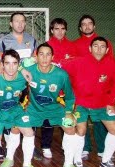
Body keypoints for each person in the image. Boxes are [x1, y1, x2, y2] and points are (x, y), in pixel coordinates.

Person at [61, 37, 115, 167]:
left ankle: (106, 161)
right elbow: (59, 65)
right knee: (81, 130)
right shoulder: (78, 61)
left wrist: (111, 102)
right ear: (90, 48)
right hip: (80, 103)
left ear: (107, 50)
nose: (99, 49)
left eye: (102, 47)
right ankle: (77, 161)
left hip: (102, 103)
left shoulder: (112, 64)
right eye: (96, 46)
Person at [22, 43, 82, 167]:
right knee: (21, 128)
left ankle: (68, 165)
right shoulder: (28, 71)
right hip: (33, 109)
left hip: (55, 109)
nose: (44, 58)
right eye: (41, 54)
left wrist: (68, 112)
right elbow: (13, 73)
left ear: (53, 57)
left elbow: (70, 97)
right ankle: (26, 164)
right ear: (36, 57)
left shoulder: (61, 75)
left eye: (48, 54)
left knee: (70, 128)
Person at [0, 50, 40, 167]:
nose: (11, 67)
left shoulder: (23, 77)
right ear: (2, 64)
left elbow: (36, 64)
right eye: (7, 63)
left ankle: (27, 165)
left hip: (16, 110)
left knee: (29, 133)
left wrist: (23, 69)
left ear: (18, 65)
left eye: (15, 63)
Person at [74, 15, 114, 160]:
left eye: (90, 23)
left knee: (100, 121)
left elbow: (111, 66)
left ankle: (103, 149)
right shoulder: (76, 44)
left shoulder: (105, 42)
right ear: (80, 28)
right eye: (84, 24)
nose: (87, 26)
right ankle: (84, 148)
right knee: (81, 122)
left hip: (101, 91)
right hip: (83, 92)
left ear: (94, 26)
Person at [41, 18, 77, 159]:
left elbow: (77, 69)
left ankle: (66, 145)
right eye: (57, 29)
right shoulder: (46, 46)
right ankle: (45, 146)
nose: (60, 31)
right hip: (50, 90)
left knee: (66, 119)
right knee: (47, 120)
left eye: (62, 28)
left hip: (66, 91)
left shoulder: (72, 47)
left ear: (66, 30)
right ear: (51, 30)